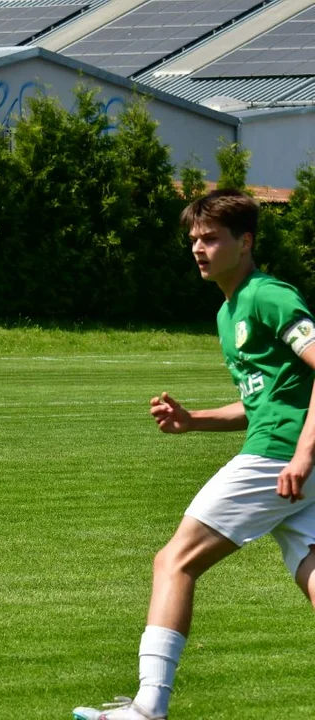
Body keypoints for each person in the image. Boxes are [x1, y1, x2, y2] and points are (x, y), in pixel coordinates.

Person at [74, 188, 315, 720]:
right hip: (291, 458)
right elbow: (266, 400)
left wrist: (302, 454)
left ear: (245, 241)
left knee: (174, 560)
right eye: (194, 240)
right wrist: (194, 421)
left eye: (211, 239)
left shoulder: (268, 296)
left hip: (280, 459)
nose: (199, 249)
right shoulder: (229, 313)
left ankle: (148, 708)